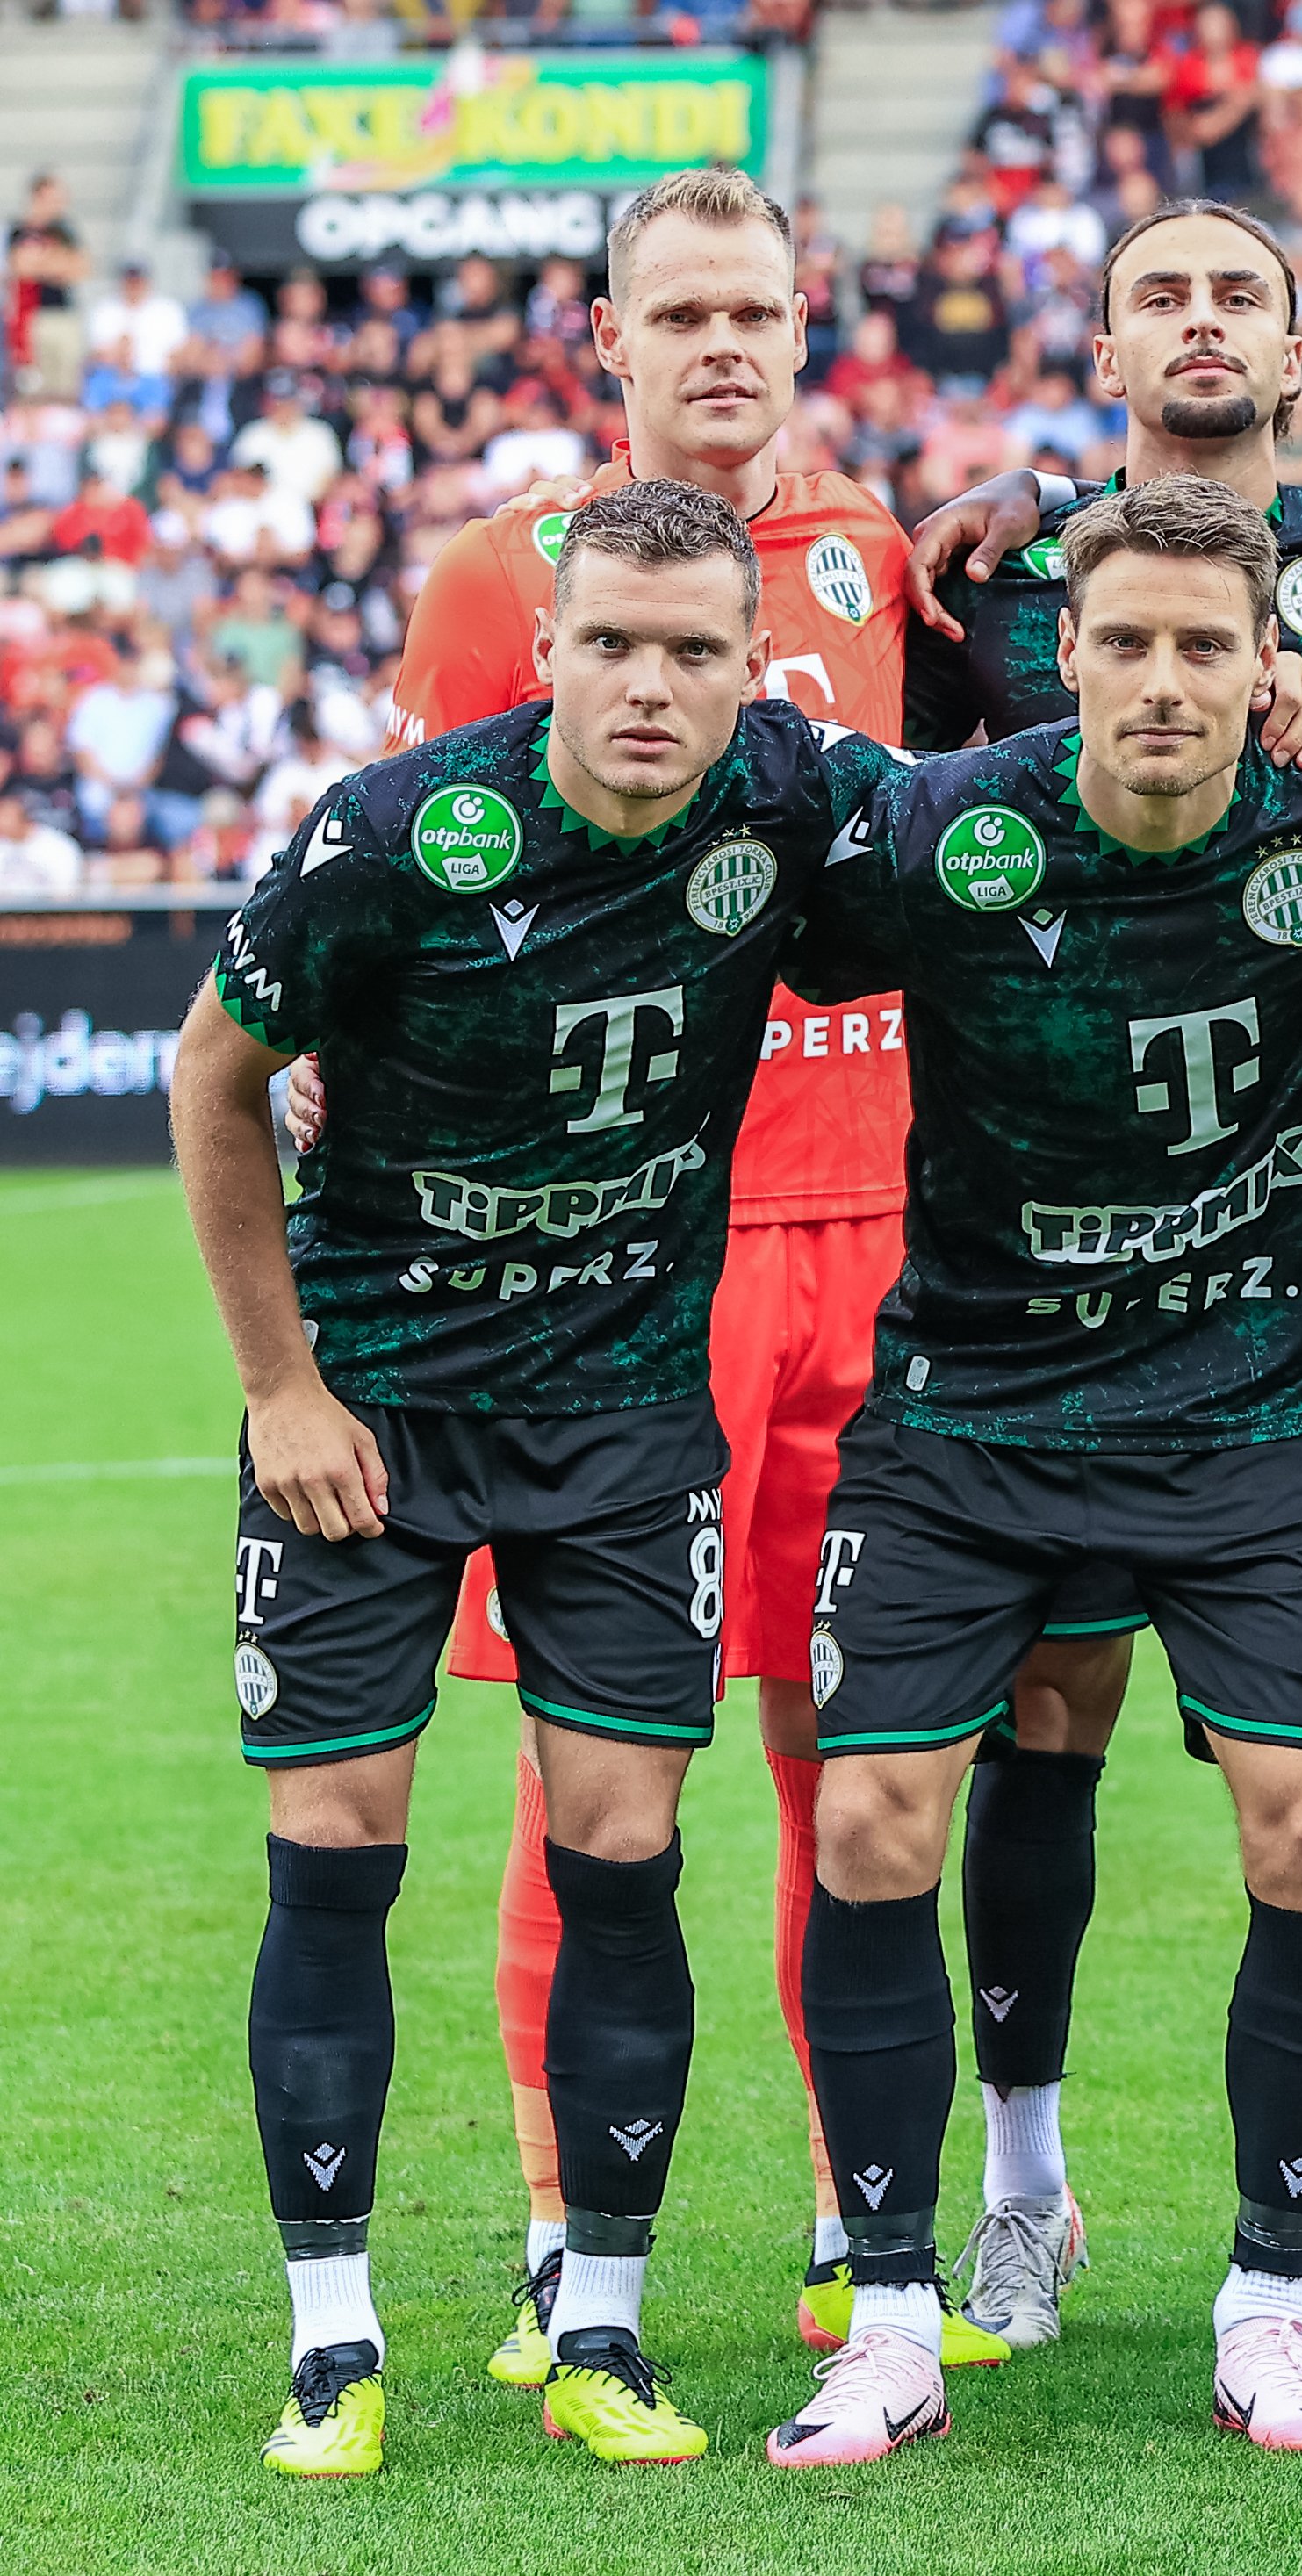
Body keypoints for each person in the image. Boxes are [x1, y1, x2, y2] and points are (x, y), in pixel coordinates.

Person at [175, 477, 903, 2476]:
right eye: (612, 645)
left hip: (620, 1416)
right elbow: (211, 1076)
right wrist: (279, 1388)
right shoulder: (400, 830)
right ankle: (332, 2345)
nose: (649, 686)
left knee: (622, 1852)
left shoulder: (793, 797)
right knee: (336, 1848)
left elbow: (1023, 824)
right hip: (373, 1412)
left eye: (693, 651)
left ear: (749, 666)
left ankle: (601, 2325)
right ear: (550, 647)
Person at [764, 476, 1302, 2469]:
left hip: (1239, 1417)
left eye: (1205, 645)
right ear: (1063, 652)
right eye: (1130, 641)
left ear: (1269, 666)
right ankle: (892, 2312)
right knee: (872, 1822)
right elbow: (713, 877)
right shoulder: (946, 828)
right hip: (968, 1416)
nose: (1164, 678)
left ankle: (1267, 2301)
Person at [373, 163, 1005, 2386]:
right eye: (683, 314)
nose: (723, 345)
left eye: (757, 311)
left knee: (862, 1759)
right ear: (610, 342)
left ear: (803, 327)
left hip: (886, 1248)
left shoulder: (878, 563)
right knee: (591, 1769)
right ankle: (566, 2232)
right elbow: (421, 895)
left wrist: (1027, 505)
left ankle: (860, 2221)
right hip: (624, 1267)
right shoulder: (499, 579)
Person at [895, 195, 1302, 2354]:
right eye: (1156, 292)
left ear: (1293, 340)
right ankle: (1023, 2191)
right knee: (1041, 1709)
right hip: (1047, 1271)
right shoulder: (993, 578)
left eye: (1236, 291)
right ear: (1101, 343)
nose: (1198, 321)